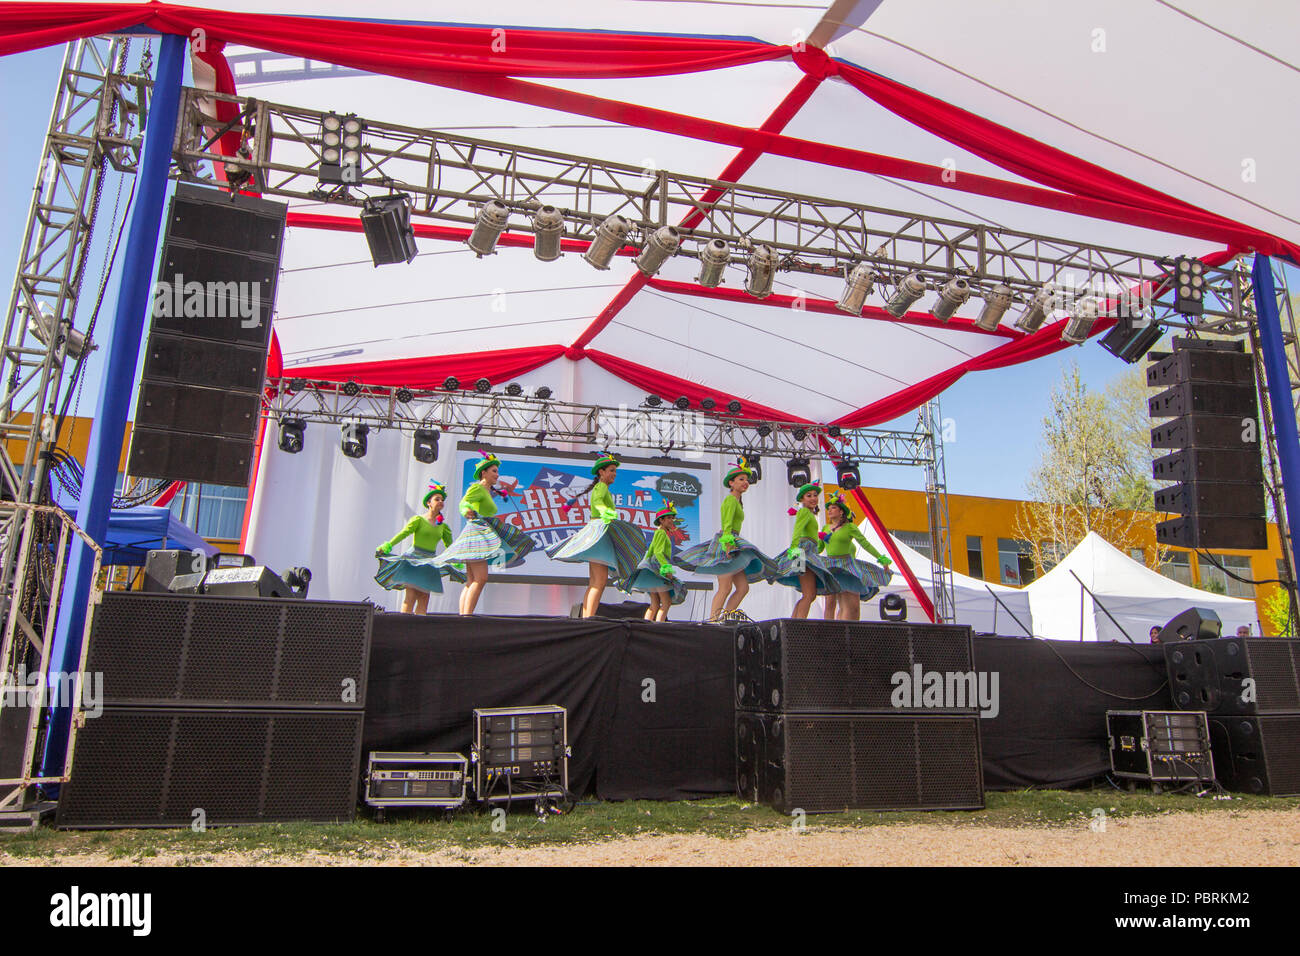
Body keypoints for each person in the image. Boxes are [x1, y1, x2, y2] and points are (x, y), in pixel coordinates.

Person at [434, 452, 535, 615]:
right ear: (484, 472)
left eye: (497, 471)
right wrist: (466, 510)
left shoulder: (487, 491)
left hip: (481, 532)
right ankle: (466, 616)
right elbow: (464, 502)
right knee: (481, 578)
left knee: (472, 580)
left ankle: (463, 615)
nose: (497, 474)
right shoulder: (478, 488)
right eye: (494, 471)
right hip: (477, 533)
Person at [546, 453, 647, 618]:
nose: (614, 474)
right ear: (601, 472)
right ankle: (589, 618)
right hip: (599, 533)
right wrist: (605, 511)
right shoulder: (601, 487)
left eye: (615, 471)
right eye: (611, 470)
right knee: (598, 582)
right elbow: (598, 502)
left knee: (595, 582)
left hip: (598, 531)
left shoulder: (602, 487)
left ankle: (587, 618)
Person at [677, 458, 776, 622]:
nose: (745, 482)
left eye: (746, 479)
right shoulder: (730, 500)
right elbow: (727, 525)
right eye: (741, 479)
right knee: (725, 587)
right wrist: (728, 545)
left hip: (733, 541)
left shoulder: (737, 500)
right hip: (727, 542)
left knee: (743, 588)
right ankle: (713, 621)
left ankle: (723, 619)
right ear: (731, 482)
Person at [374, 480, 465, 614]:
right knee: (410, 598)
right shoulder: (419, 520)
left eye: (442, 499)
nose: (440, 501)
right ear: (429, 503)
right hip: (413, 560)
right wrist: (387, 546)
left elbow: (449, 546)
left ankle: (417, 631)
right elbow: (403, 534)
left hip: (429, 563)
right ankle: (403, 629)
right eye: (437, 499)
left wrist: (456, 559)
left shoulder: (443, 527)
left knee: (424, 598)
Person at [770, 482, 840, 619]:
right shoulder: (804, 512)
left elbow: (813, 542)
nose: (813, 498)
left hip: (809, 552)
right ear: (802, 499)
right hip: (803, 552)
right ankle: (798, 625)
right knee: (809, 594)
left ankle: (794, 623)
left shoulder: (809, 513)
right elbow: (797, 531)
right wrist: (794, 549)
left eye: (815, 495)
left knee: (809, 594)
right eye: (809, 496)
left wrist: (822, 542)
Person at [818, 492, 892, 621]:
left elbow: (865, 544)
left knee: (849, 606)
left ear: (841, 512)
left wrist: (881, 559)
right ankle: (828, 634)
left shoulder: (850, 527)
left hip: (846, 566)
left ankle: (846, 633)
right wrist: (802, 552)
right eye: (828, 509)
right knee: (829, 603)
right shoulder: (825, 528)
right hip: (830, 566)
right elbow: (819, 548)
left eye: (833, 508)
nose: (829, 511)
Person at [622, 501, 688, 621]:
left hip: (652, 570)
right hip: (657, 570)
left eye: (672, 518)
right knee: (666, 602)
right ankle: (659, 628)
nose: (671, 520)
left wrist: (646, 567)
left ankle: (646, 627)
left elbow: (651, 551)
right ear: (661, 520)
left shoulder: (658, 533)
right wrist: (666, 568)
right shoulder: (661, 533)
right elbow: (658, 553)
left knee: (655, 604)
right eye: (668, 518)